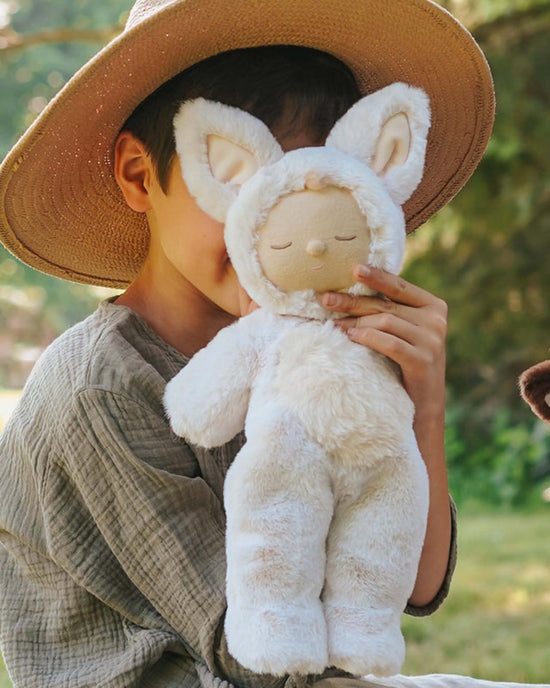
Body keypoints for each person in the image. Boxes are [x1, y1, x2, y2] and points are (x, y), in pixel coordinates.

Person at [0, 1, 530, 687]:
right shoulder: (100, 385)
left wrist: (419, 404)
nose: (280, 230)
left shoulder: (315, 357)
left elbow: (412, 588)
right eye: (243, 183)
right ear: (140, 176)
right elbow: (259, 654)